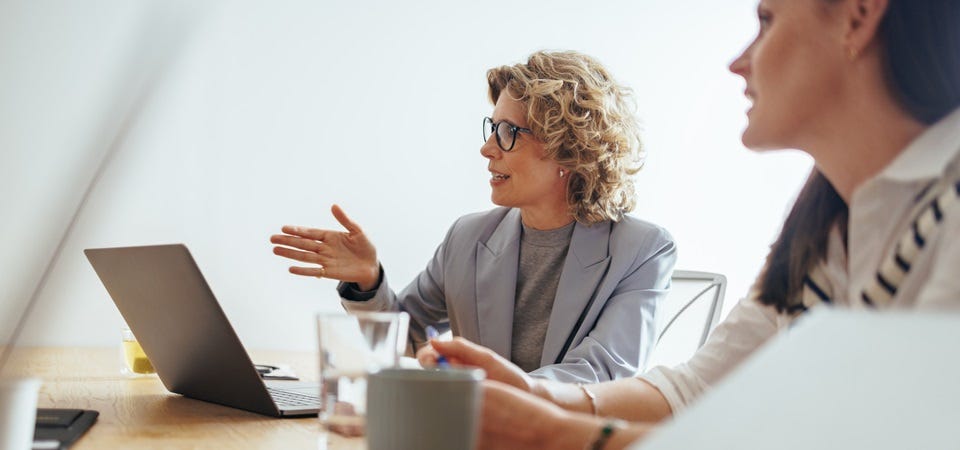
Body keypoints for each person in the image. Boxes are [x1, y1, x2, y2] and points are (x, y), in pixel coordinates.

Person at [423, 1, 960, 448]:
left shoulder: (946, 219)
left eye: (767, 21)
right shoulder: (829, 229)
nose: (738, 62)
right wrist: (532, 395)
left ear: (857, 16)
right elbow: (696, 388)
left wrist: (552, 431)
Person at [270, 50, 677, 383]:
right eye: (492, 128)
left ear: (567, 149)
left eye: (508, 133)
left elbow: (602, 373)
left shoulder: (641, 250)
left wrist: (482, 382)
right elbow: (403, 336)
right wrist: (367, 280)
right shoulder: (467, 237)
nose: (487, 149)